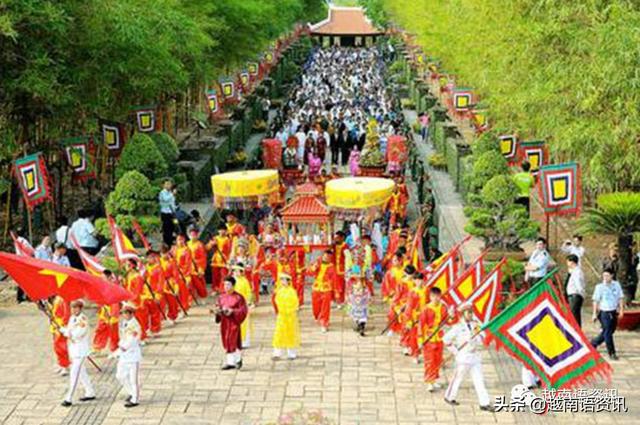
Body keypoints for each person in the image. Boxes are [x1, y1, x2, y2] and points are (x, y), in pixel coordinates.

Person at [443, 303, 494, 412]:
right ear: (463, 314)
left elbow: (482, 338)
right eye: (468, 312)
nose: (471, 314)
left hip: (475, 356)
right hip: (463, 357)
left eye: (471, 312)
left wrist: (478, 337)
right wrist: (454, 351)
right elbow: (446, 340)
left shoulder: (476, 325)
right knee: (457, 378)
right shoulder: (458, 327)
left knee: (479, 380)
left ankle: (484, 403)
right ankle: (449, 396)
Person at [60, 299, 96, 407]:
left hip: (81, 351)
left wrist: (65, 332)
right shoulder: (72, 318)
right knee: (82, 373)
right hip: (74, 350)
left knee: (74, 374)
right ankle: (90, 391)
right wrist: (64, 329)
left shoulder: (83, 319)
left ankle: (69, 397)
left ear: (80, 308)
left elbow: (78, 334)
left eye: (76, 307)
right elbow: (70, 330)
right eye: (72, 307)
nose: (73, 310)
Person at [418, 286, 453, 392]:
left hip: (439, 337)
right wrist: (420, 340)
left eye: (438, 296)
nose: (436, 299)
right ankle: (429, 381)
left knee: (437, 360)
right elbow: (421, 325)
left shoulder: (443, 307)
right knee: (430, 360)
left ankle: (434, 379)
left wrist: (451, 316)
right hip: (429, 337)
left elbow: (448, 321)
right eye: (434, 296)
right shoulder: (426, 309)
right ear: (430, 296)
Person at [213, 276, 248, 370]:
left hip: (233, 322)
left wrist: (233, 311)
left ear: (233, 285)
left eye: (228, 284)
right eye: (225, 284)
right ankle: (230, 362)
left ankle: (238, 359)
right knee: (226, 341)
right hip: (225, 322)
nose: (226, 287)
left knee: (234, 341)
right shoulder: (221, 297)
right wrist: (218, 311)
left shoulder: (239, 297)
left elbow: (243, 310)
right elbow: (218, 306)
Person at [591, 269, 624, 360]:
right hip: (604, 313)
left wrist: (621, 310)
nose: (605, 277)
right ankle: (612, 352)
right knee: (608, 332)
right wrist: (594, 313)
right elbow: (595, 301)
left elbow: (620, 298)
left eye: (607, 275)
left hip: (613, 312)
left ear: (612, 276)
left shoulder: (616, 285)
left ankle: (593, 343)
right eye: (604, 275)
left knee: (609, 331)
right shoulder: (599, 287)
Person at [116, 303, 143, 408]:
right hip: (124, 355)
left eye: (127, 313)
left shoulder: (134, 325)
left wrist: (123, 347)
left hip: (132, 356)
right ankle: (131, 392)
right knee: (119, 376)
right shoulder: (124, 323)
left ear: (131, 313)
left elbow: (132, 340)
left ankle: (135, 399)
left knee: (133, 379)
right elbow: (122, 336)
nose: (124, 315)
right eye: (123, 313)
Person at [272, 273, 301, 360]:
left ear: (289, 281)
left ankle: (291, 353)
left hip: (290, 316)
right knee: (279, 333)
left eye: (284, 280)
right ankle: (277, 353)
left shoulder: (292, 292)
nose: (282, 282)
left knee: (290, 334)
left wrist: (290, 309)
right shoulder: (280, 291)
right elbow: (276, 301)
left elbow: (295, 303)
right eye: (281, 280)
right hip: (281, 316)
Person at [92, 270, 121, 356]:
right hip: (104, 312)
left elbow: (115, 301)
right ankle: (97, 348)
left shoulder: (113, 287)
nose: (102, 278)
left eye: (103, 277)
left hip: (112, 312)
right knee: (100, 329)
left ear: (108, 277)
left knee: (113, 332)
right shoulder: (102, 286)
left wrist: (113, 314)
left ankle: (114, 349)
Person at [310, 250, 336, 333]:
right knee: (315, 306)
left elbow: (334, 279)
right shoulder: (317, 263)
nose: (326, 258)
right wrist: (314, 267)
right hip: (316, 287)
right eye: (324, 256)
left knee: (325, 307)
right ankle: (319, 317)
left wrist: (336, 291)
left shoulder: (332, 267)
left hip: (326, 289)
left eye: (328, 257)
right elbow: (309, 272)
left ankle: (324, 323)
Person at [232, 264, 255, 348]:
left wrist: (249, 302)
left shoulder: (245, 281)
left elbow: (248, 292)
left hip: (243, 304)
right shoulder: (232, 281)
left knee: (244, 323)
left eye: (237, 271)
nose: (235, 272)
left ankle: (245, 341)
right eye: (234, 271)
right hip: (234, 304)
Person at [207, 226, 232, 294]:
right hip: (215, 259)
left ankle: (222, 289)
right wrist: (212, 244)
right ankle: (215, 289)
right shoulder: (215, 238)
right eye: (220, 230)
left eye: (223, 230)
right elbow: (207, 248)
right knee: (215, 276)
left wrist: (229, 259)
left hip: (224, 259)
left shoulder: (227, 239)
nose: (222, 231)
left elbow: (229, 250)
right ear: (218, 231)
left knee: (223, 275)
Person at [50, 295, 70, 376]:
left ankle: (65, 366)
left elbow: (67, 314)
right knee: (57, 346)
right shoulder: (56, 298)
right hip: (55, 325)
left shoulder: (64, 299)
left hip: (60, 326)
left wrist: (63, 325)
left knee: (62, 347)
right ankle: (60, 363)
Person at [565, 254, 586, 327]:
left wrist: (581, 294)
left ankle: (576, 330)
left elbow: (579, 284)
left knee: (574, 315)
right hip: (573, 295)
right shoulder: (574, 271)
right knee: (574, 314)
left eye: (568, 262)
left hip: (575, 295)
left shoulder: (577, 272)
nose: (567, 264)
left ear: (572, 262)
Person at [159, 179, 177, 246]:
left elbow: (172, 202)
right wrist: (172, 194)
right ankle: (166, 243)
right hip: (165, 213)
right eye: (167, 184)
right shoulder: (162, 193)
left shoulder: (170, 193)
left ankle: (170, 242)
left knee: (172, 227)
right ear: (163, 185)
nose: (169, 185)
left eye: (170, 184)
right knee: (166, 229)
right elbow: (166, 199)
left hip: (171, 213)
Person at [333, 231, 349, 307]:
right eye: (335, 238)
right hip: (335, 269)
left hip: (342, 270)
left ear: (342, 238)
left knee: (342, 286)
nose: (336, 239)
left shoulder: (345, 246)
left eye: (337, 238)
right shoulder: (333, 246)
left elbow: (348, 257)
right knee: (335, 286)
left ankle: (341, 301)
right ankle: (337, 300)